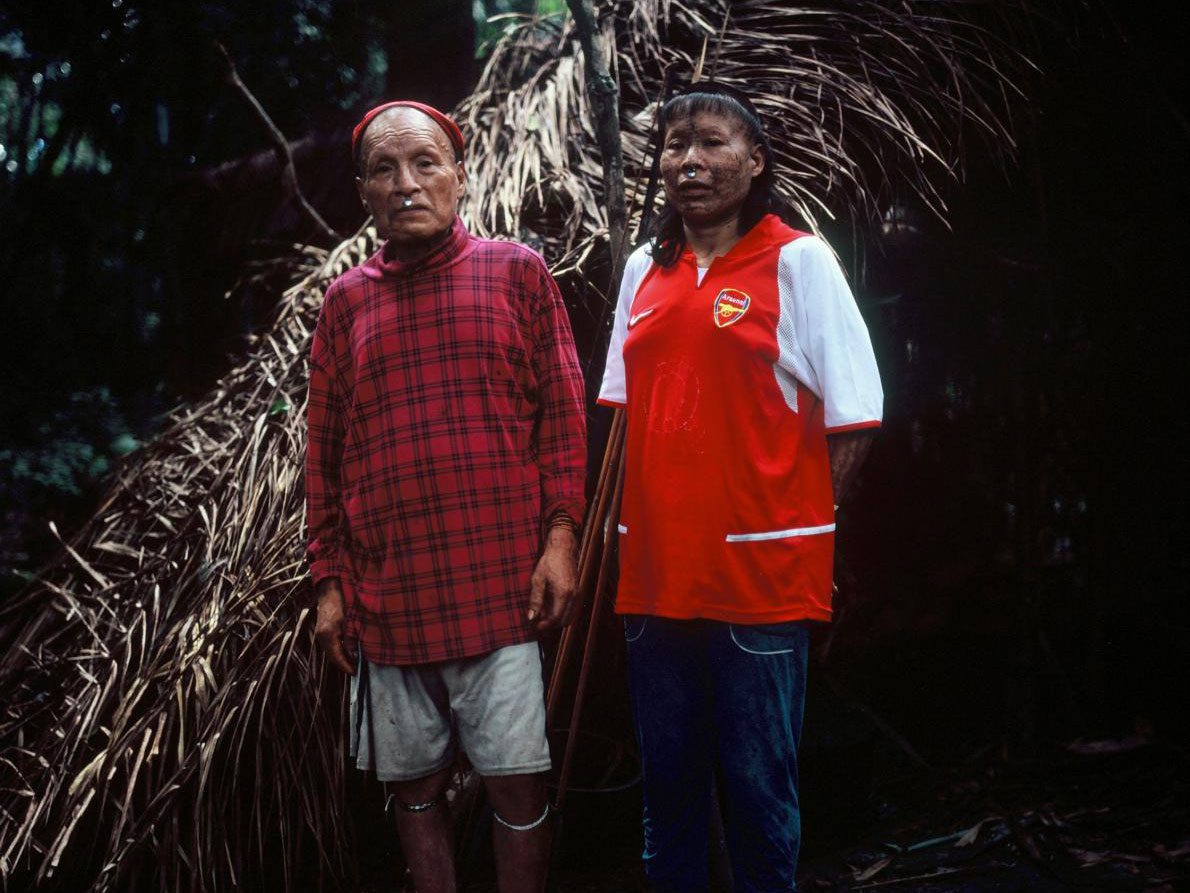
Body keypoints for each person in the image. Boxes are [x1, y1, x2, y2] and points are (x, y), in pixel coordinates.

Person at [598, 83, 883, 893]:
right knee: (669, 794)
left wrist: (803, 528)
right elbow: (625, 419)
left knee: (760, 789)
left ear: (755, 161)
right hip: (655, 576)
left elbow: (855, 418)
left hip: (760, 577)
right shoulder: (641, 272)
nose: (689, 160)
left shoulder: (799, 259)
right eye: (674, 145)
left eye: (713, 143)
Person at [305, 99, 587, 893]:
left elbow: (564, 422)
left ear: (460, 176)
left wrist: (561, 540)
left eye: (425, 163)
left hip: (502, 589)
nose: (406, 183)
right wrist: (329, 583)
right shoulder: (345, 304)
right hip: (388, 598)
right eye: (385, 170)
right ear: (363, 191)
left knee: (517, 782)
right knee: (413, 789)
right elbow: (322, 456)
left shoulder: (518, 271)